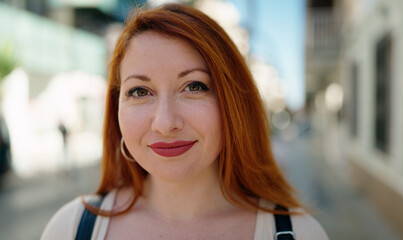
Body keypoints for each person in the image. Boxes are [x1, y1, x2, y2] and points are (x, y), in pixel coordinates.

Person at [41, 3, 328, 240]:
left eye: (194, 86)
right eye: (139, 91)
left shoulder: (299, 234)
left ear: (232, 104)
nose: (165, 124)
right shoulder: (71, 229)